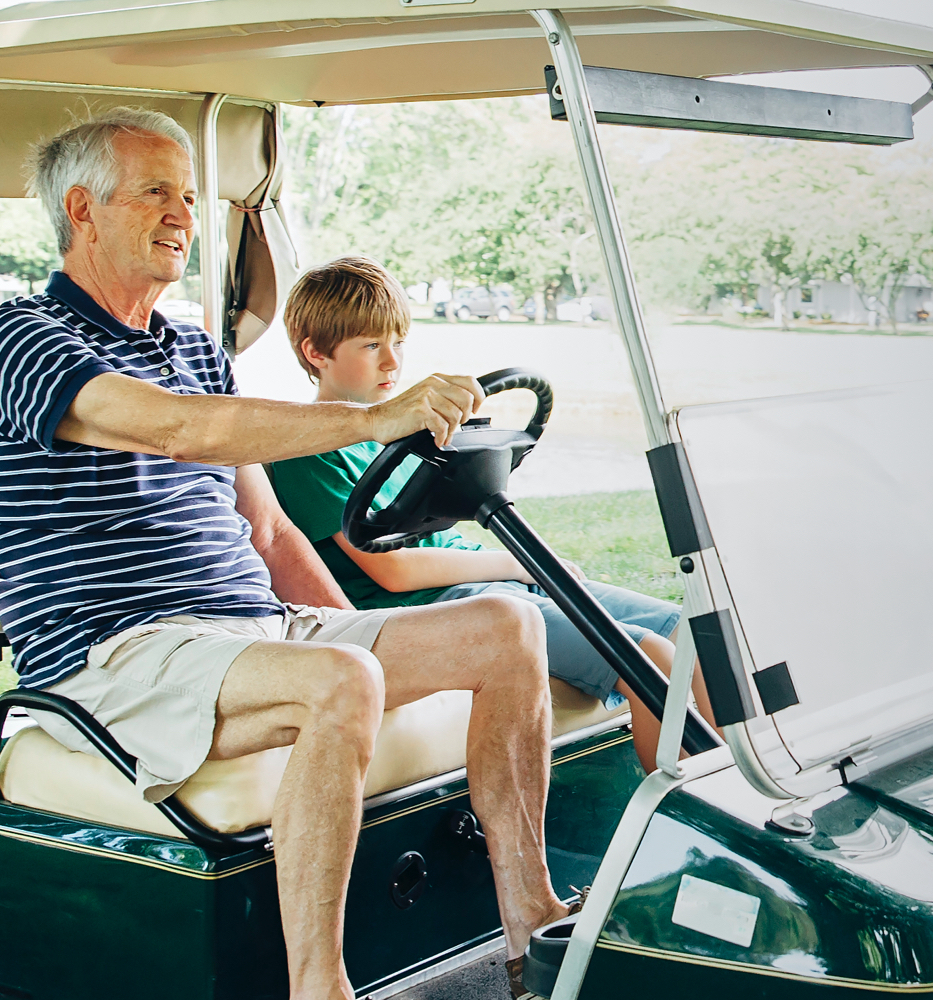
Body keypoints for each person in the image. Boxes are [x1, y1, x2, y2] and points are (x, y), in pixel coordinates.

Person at [0, 108, 567, 1000]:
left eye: (191, 195)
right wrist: (371, 420)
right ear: (82, 209)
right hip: (111, 653)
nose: (184, 214)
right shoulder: (24, 336)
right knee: (335, 681)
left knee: (508, 629)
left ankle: (534, 931)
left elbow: (271, 532)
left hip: (245, 631)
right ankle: (317, 986)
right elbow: (176, 431)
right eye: (157, 192)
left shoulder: (195, 349)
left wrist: (361, 629)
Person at [262, 257, 696, 772]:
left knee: (693, 638)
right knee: (652, 662)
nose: (391, 363)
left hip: (481, 583)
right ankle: (686, 825)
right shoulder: (306, 452)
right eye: (371, 345)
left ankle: (736, 801)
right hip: (433, 608)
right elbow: (395, 570)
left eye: (398, 343)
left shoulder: (396, 437)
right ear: (317, 353)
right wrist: (517, 564)